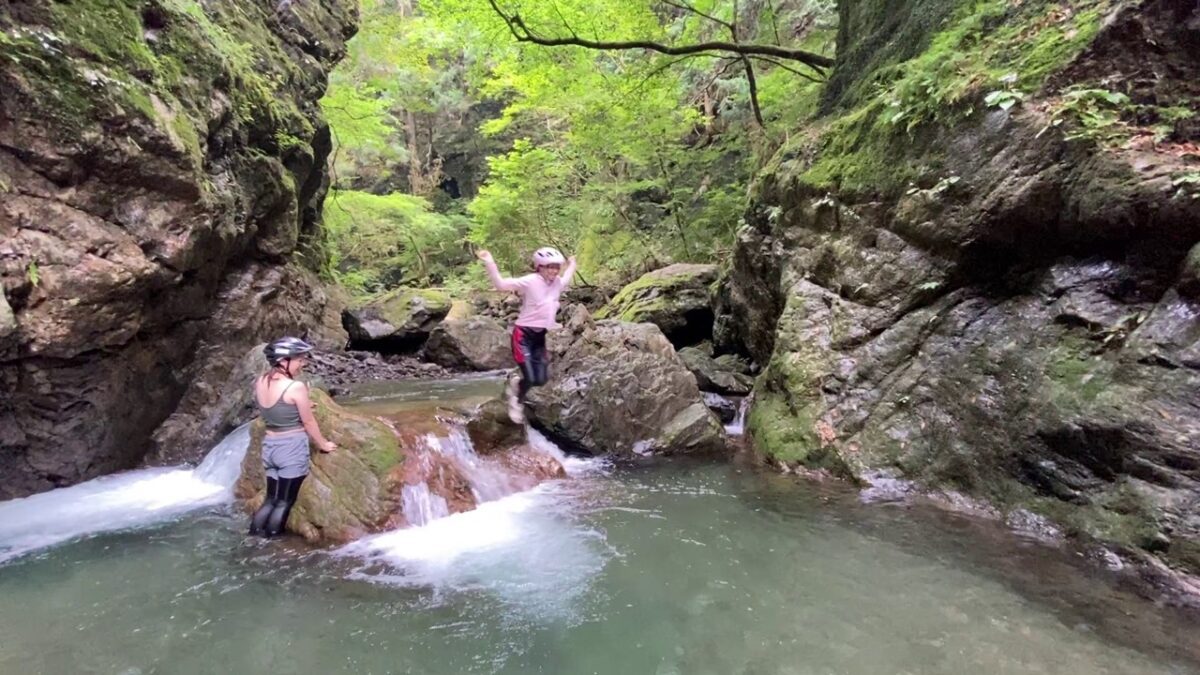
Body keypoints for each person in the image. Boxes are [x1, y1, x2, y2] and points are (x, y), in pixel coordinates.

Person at [248, 337, 337, 537]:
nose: (302, 364)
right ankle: (272, 542)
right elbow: (308, 422)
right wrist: (323, 444)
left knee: (270, 500)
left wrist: (303, 404)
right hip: (291, 449)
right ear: (283, 361)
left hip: (270, 447)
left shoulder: (261, 381)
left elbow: (275, 407)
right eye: (299, 360)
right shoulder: (294, 387)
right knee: (284, 503)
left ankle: (254, 539)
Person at [476, 247, 576, 423]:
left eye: (556, 267)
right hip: (523, 335)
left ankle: (516, 383)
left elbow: (567, 277)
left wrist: (572, 264)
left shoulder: (558, 282)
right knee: (530, 376)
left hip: (539, 338)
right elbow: (501, 285)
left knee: (541, 379)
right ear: (540, 267)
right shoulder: (530, 281)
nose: (553, 271)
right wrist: (489, 261)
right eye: (549, 267)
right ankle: (516, 400)